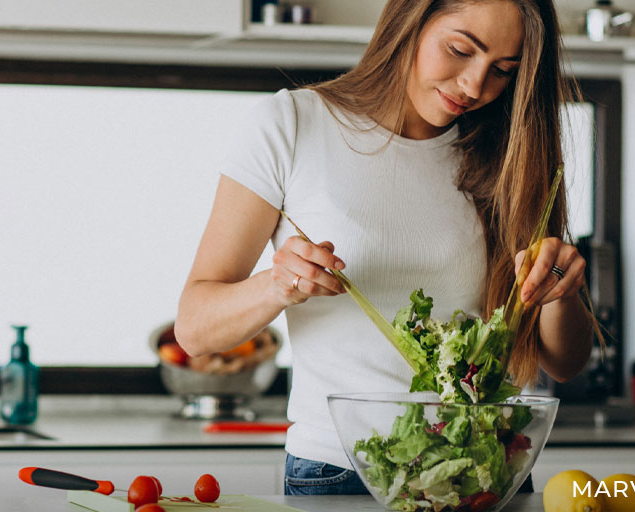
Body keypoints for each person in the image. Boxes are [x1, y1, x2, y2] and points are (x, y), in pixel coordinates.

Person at [175, 0, 593, 496]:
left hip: (483, 471)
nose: (475, 86)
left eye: (503, 71)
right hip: (341, 471)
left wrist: (561, 295)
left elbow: (564, 363)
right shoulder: (290, 124)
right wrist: (278, 285)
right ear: (410, 21)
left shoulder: (508, 153)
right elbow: (195, 329)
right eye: (460, 50)